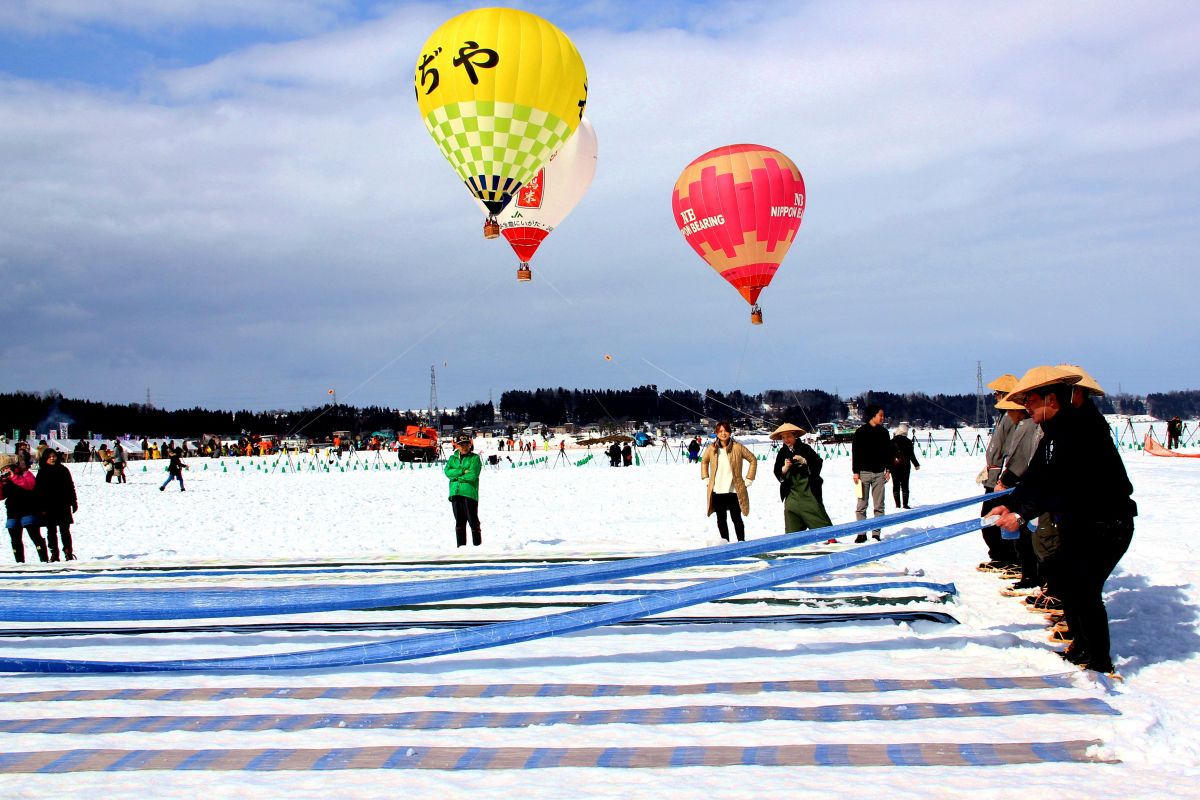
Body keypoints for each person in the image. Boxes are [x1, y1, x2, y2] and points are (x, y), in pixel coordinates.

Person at [990, 365, 1135, 675]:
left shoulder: (1080, 430)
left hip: (1107, 524)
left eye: (1030, 399)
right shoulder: (1054, 431)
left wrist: (1021, 513)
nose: (1025, 405)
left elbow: (1060, 483)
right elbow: (1036, 477)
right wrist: (1009, 504)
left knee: (1084, 587)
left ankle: (1098, 661)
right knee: (1069, 583)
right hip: (1078, 521)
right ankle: (1081, 647)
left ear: (1051, 400)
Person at [979, 373, 1020, 572]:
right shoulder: (1004, 416)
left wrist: (1003, 476)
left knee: (996, 517)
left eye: (997, 393)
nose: (995, 396)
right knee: (988, 518)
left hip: (1003, 478)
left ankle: (1009, 557)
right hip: (994, 475)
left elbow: (1012, 450)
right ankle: (999, 554)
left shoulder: (1013, 418)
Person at [700, 421, 757, 542]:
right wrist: (706, 478)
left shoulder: (737, 447)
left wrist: (748, 480)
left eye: (725, 431)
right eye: (720, 431)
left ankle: (741, 543)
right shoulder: (712, 448)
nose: (723, 433)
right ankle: (725, 544)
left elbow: (752, 459)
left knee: (736, 518)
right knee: (721, 519)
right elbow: (704, 461)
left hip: (734, 490)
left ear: (730, 432)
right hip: (717, 490)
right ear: (716, 433)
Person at [770, 423, 831, 534]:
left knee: (819, 520)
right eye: (783, 437)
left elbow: (818, 463)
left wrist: (805, 461)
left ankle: (829, 540)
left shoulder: (805, 448)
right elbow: (777, 471)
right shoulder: (782, 452)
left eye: (788, 436)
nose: (786, 440)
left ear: (795, 436)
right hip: (791, 494)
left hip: (808, 492)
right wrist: (784, 468)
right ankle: (793, 544)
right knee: (792, 524)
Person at [851, 404, 890, 543]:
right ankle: (861, 532)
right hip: (863, 474)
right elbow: (855, 453)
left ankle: (876, 533)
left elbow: (888, 453)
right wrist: (855, 472)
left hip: (879, 473)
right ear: (873, 415)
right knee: (861, 505)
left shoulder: (884, 433)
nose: (882, 417)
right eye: (880, 415)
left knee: (879, 505)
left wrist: (888, 469)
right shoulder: (860, 432)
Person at [34, 449, 78, 561]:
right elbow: (38, 492)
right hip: (48, 506)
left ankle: (68, 552)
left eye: (54, 456)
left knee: (65, 530)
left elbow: (70, 486)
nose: (53, 458)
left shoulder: (63, 470)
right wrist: (40, 507)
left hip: (63, 504)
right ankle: (54, 553)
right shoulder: (42, 472)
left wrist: (73, 502)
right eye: (50, 457)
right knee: (51, 531)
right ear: (46, 458)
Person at [2, 459, 48, 563]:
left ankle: (44, 559)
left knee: (34, 535)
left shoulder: (25, 473)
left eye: (8, 467)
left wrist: (14, 477)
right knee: (14, 537)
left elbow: (30, 485)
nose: (6, 470)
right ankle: (19, 562)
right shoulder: (5, 479)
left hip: (28, 508)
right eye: (4, 469)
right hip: (12, 511)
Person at [444, 432, 482, 547]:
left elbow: (473, 475)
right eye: (461, 445)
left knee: (473, 520)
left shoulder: (474, 458)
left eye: (466, 444)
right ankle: (461, 547)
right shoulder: (452, 458)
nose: (463, 447)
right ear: (457, 445)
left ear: (470, 445)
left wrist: (456, 477)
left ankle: (477, 545)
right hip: (455, 493)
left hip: (469, 493)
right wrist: (461, 471)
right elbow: (447, 472)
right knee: (459, 521)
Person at [890, 423, 921, 509]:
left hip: (894, 466)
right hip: (905, 466)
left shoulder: (892, 441)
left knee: (895, 485)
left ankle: (897, 505)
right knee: (905, 485)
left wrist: (887, 468)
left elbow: (888, 455)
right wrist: (916, 464)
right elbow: (911, 455)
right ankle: (905, 504)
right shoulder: (908, 442)